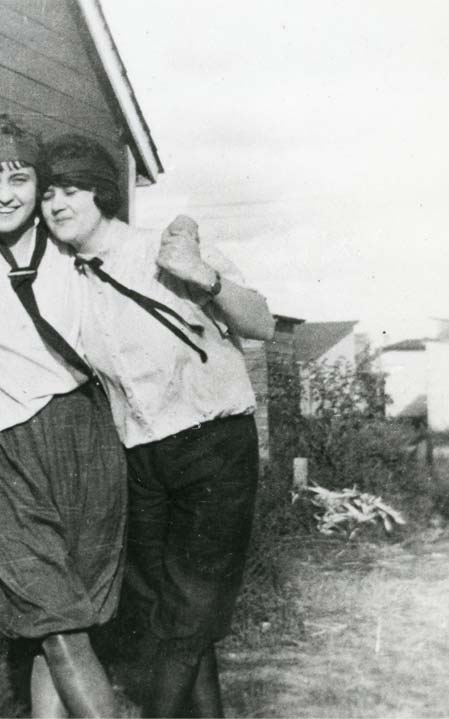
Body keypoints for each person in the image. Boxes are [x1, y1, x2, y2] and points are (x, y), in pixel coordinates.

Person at [39, 133, 276, 718]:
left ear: (102, 194)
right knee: (168, 612)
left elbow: (263, 322)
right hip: (141, 456)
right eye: (47, 195)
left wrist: (204, 277)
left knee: (188, 613)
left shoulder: (163, 248)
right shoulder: (66, 278)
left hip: (212, 445)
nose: (56, 205)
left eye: (70, 191)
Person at [0, 115, 126, 718]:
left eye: (20, 178)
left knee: (61, 622)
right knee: (56, 622)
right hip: (1, 449)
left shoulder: (68, 240)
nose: (5, 194)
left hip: (86, 444)